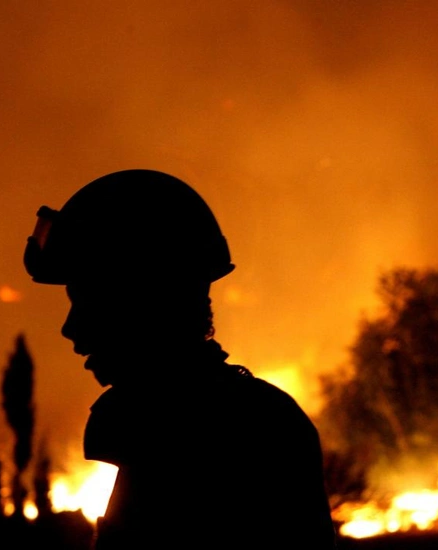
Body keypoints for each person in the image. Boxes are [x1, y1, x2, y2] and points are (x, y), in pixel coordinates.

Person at [23, 169, 337, 549]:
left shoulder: (199, 434)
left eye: (87, 301)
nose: (70, 329)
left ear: (146, 300)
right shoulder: (215, 420)